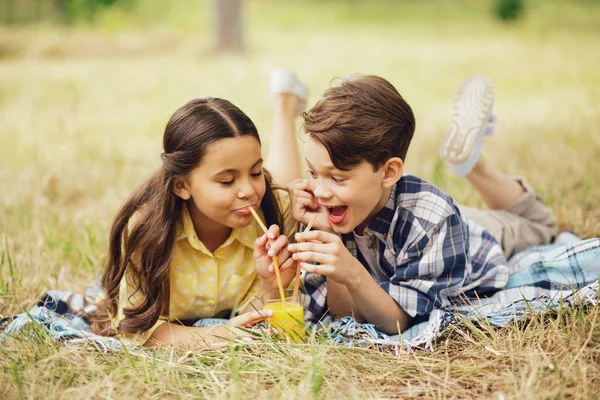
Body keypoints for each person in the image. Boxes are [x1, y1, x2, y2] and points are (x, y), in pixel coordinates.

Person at [285, 75, 557, 334]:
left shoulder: (432, 221)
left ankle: (473, 165)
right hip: (412, 214)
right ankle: (470, 163)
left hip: (472, 239)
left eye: (336, 178)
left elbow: (398, 324)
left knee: (540, 226)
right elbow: (345, 315)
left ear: (388, 172)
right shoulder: (336, 209)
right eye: (312, 173)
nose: (319, 191)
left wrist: (353, 273)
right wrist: (330, 241)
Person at [91, 71, 309, 348]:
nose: (248, 191)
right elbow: (137, 329)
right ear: (181, 186)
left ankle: (284, 107)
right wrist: (217, 335)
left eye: (255, 172)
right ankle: (284, 102)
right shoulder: (146, 234)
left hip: (279, 201)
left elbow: (260, 318)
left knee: (282, 189)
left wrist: (271, 287)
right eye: (226, 180)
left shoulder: (273, 216)